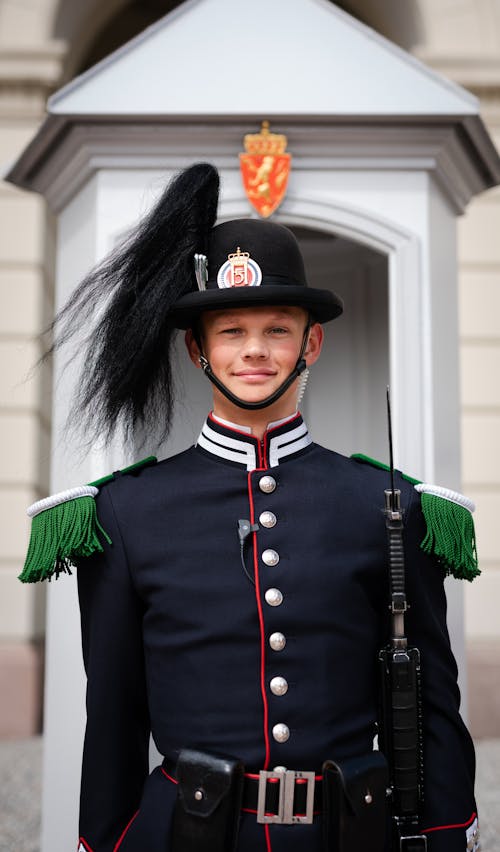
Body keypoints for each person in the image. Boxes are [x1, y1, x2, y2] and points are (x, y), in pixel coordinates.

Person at [21, 164, 480, 852]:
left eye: (277, 328)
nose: (255, 351)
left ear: (311, 344)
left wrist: (445, 836)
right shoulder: (124, 514)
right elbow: (113, 717)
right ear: (198, 350)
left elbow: (437, 706)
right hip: (187, 835)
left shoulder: (390, 505)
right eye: (231, 331)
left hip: (348, 836)